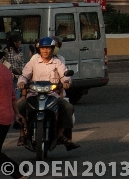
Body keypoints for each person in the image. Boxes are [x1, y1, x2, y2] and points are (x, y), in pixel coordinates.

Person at [16, 37, 78, 150]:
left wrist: (66, 82)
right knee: (19, 106)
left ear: (52, 49)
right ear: (39, 49)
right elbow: (24, 75)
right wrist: (21, 82)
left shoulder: (58, 62)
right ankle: (22, 134)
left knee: (68, 107)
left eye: (48, 48)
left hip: (52, 95)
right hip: (33, 95)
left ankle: (60, 135)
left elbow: (65, 75)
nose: (45, 51)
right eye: (43, 48)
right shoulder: (34, 61)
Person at [0, 51, 21, 179]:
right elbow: (13, 96)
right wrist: (17, 114)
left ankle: (19, 174)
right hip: (7, 117)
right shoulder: (6, 71)